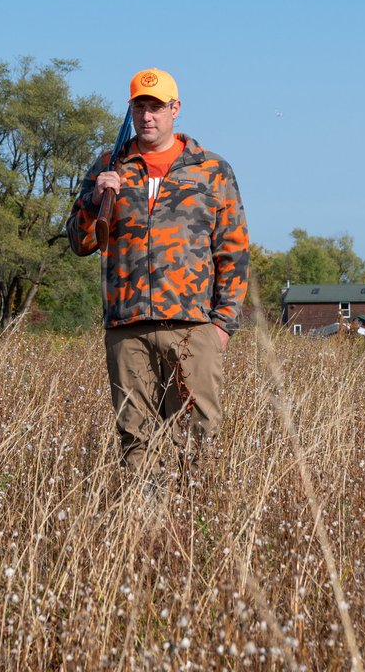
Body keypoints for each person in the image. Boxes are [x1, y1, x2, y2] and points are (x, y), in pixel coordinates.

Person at [66, 68, 249, 477]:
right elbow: (80, 242)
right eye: (140, 106)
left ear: (175, 109)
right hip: (126, 326)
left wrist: (221, 325)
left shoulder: (212, 170)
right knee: (135, 435)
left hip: (192, 326)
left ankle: (196, 524)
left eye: (157, 107)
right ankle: (141, 527)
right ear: (131, 110)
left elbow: (233, 251)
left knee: (198, 434)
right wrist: (96, 199)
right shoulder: (108, 165)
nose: (148, 116)